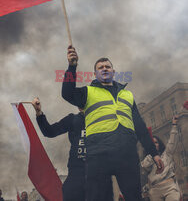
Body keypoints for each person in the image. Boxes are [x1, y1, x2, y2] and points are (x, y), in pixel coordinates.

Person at [61, 46, 164, 201]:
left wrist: (154, 153)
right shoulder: (87, 92)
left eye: (107, 67)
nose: (104, 69)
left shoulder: (127, 95)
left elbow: (140, 126)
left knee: (134, 197)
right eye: (100, 68)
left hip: (127, 154)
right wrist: (72, 66)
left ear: (113, 72)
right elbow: (67, 94)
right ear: (95, 74)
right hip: (98, 155)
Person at [32, 97, 114, 201]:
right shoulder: (73, 119)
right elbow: (49, 132)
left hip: (100, 174)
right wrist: (39, 112)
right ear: (79, 107)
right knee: (70, 192)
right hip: (77, 172)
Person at [141, 115, 181, 201]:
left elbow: (172, 142)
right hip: (154, 190)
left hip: (169, 186)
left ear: (159, 144)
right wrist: (152, 154)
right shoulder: (147, 159)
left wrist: (174, 125)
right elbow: (144, 166)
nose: (154, 144)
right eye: (152, 143)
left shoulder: (167, 154)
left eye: (156, 142)